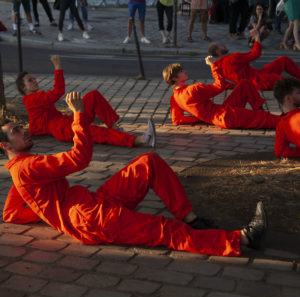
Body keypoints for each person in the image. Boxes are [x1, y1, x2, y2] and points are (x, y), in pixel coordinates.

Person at [0, 91, 267, 256]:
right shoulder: (27, 167)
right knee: (163, 230)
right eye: (15, 131)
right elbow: (80, 158)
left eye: (19, 126)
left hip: (91, 204)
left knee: (147, 162)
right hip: (91, 219)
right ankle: (240, 239)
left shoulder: (19, 167)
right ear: (6, 146)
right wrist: (79, 116)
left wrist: (50, 213)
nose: (23, 129)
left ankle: (191, 217)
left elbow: (11, 214)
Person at [15, 55, 155, 148]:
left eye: (33, 78)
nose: (35, 81)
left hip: (66, 122)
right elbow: (58, 91)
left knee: (92, 95)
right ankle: (142, 140)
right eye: (30, 80)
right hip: (63, 129)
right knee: (97, 133)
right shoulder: (32, 99)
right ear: (23, 88)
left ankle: (114, 126)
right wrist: (57, 66)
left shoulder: (35, 98)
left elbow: (37, 125)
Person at [162, 61, 281, 129]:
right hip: (226, 116)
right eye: (181, 72)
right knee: (261, 118)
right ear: (175, 78)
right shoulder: (193, 89)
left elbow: (177, 120)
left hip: (221, 113)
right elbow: (219, 86)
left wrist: (199, 118)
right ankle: (287, 120)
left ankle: (259, 108)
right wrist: (213, 67)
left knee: (245, 84)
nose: (185, 72)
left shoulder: (174, 98)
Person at [208, 29, 300, 91]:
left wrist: (211, 64)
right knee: (289, 82)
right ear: (217, 51)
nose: (224, 45)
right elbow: (255, 54)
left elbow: (222, 83)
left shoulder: (218, 66)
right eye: (221, 45)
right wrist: (257, 37)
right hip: (258, 80)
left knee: (283, 60)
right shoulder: (232, 58)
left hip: (257, 75)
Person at [273, 77, 300, 157]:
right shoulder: (295, 119)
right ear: (288, 98)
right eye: (298, 93)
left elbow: (280, 151)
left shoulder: (281, 125)